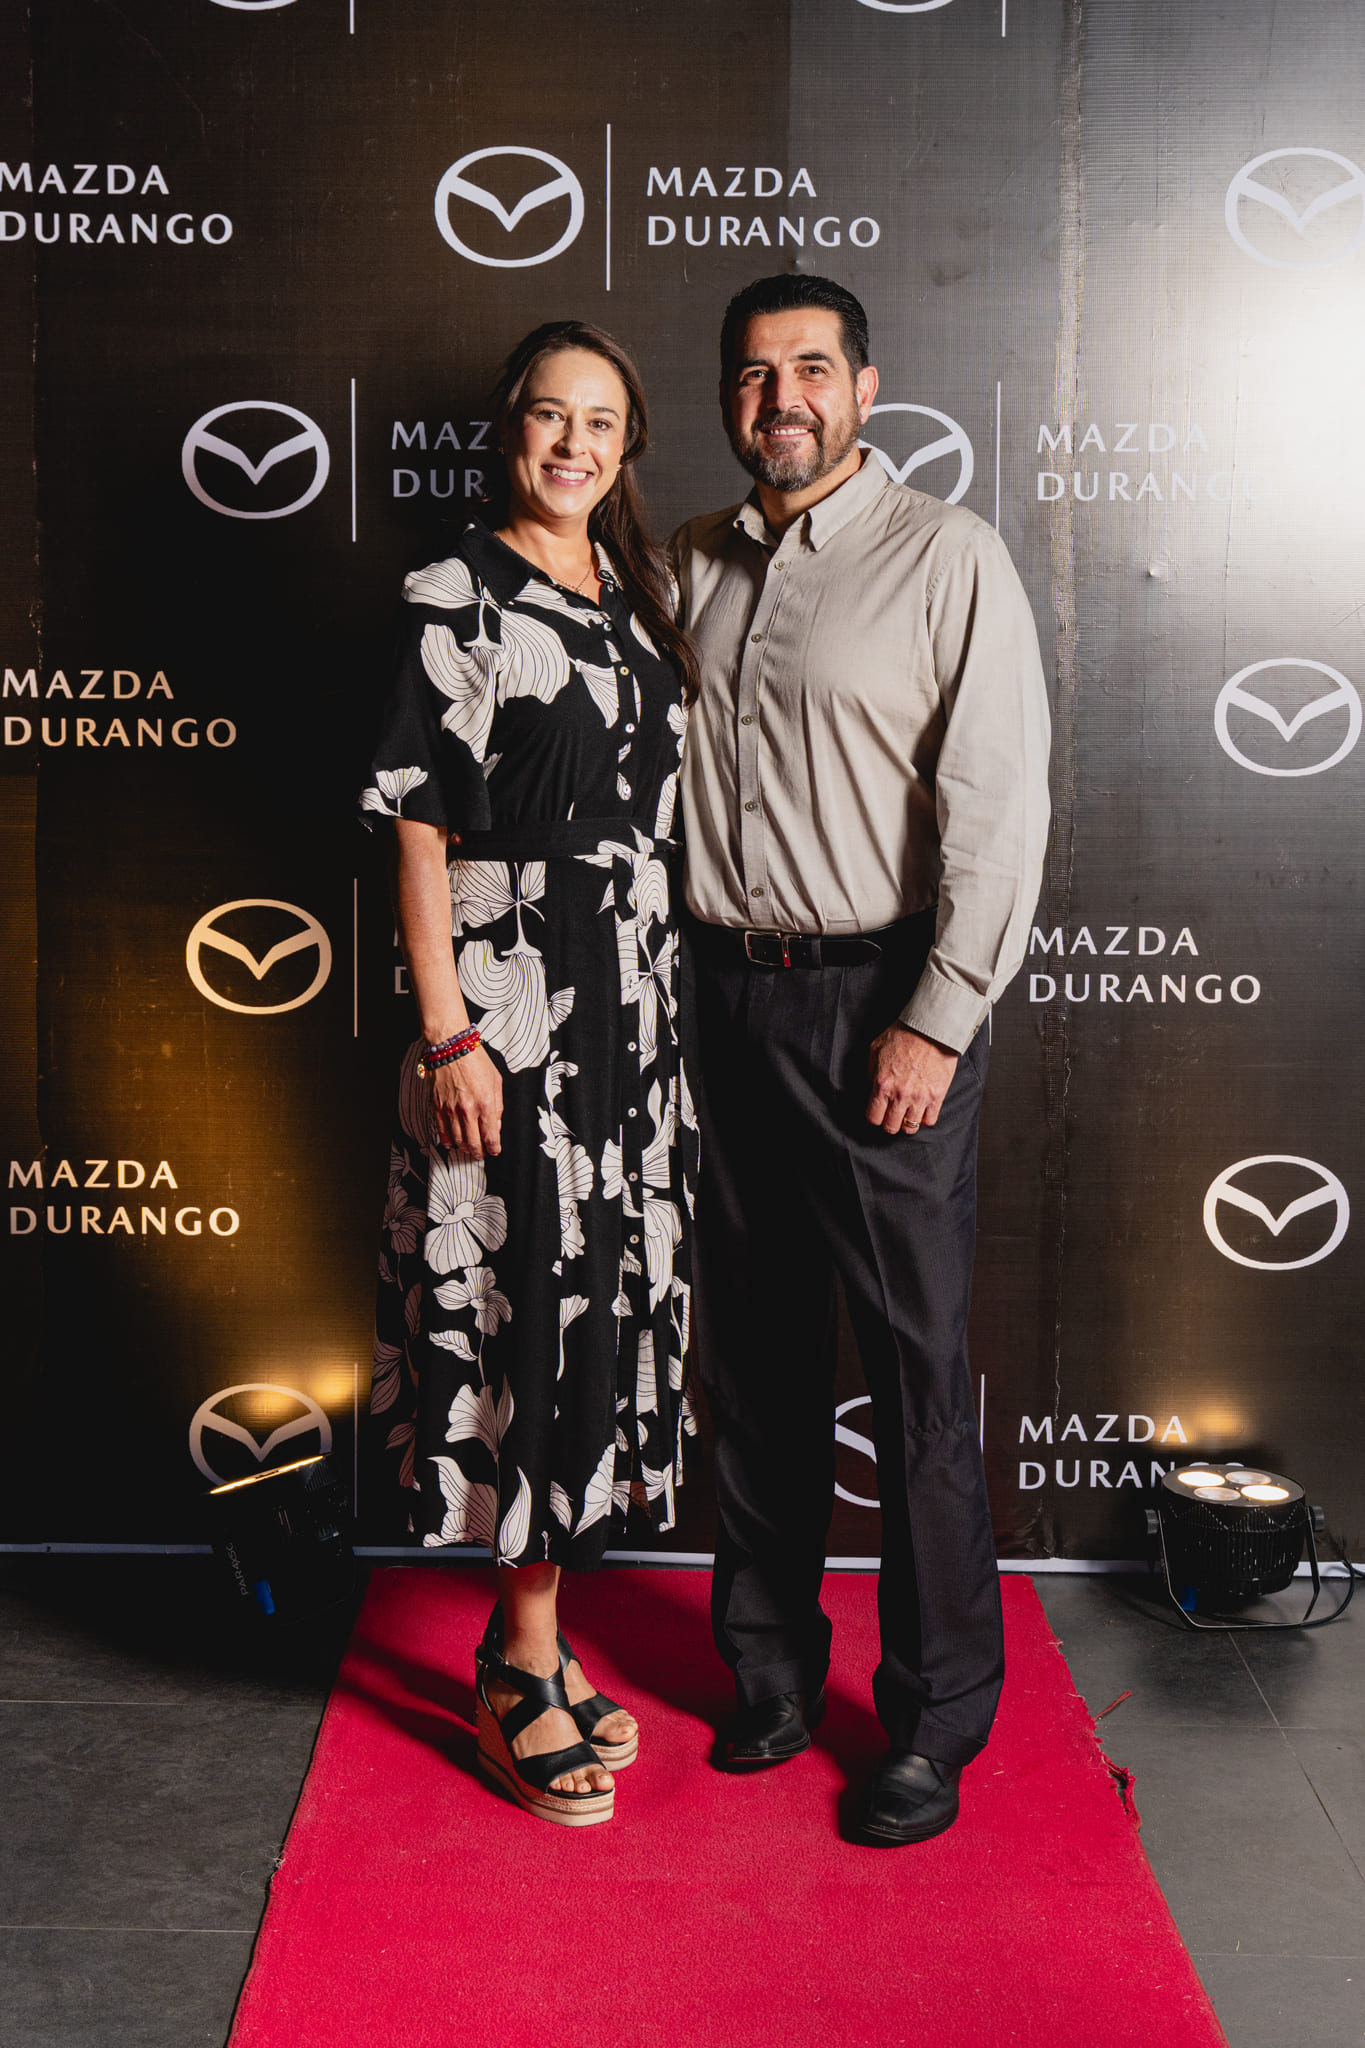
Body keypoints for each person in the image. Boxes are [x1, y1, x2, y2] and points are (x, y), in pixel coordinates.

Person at [670, 274, 1050, 1845]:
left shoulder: (947, 556)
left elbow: (999, 806)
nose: (782, 401)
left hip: (878, 1008)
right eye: (753, 376)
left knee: (912, 1384)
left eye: (810, 370)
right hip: (715, 1003)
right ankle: (767, 1673)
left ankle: (933, 1721)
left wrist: (937, 1015)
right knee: (752, 1369)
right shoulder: (683, 562)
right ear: (726, 397)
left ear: (864, 387)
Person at [360, 321, 699, 1828]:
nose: (574, 443)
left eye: (601, 422)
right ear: (510, 432)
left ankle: (541, 1642)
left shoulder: (634, 592)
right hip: (511, 1004)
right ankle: (519, 1661)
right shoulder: (456, 589)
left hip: (631, 1011)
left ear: (628, 447)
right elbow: (418, 821)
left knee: (597, 1304)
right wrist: (450, 1032)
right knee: (525, 1305)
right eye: (550, 416)